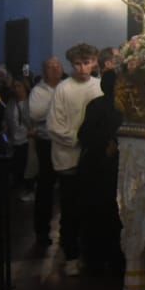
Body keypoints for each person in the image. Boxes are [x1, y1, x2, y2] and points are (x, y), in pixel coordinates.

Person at [48, 43, 104, 275]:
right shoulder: (63, 88)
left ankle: (89, 254)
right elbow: (54, 125)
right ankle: (70, 254)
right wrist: (79, 139)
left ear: (94, 62)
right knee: (69, 209)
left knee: (90, 208)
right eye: (78, 64)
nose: (83, 68)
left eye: (87, 63)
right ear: (72, 65)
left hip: (92, 159)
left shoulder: (99, 87)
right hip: (69, 157)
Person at [77, 70, 125, 277]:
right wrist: (108, 146)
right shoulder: (105, 106)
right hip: (101, 168)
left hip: (104, 168)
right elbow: (86, 135)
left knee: (105, 215)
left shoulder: (103, 105)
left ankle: (102, 259)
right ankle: (106, 260)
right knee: (105, 214)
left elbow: (85, 135)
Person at [28, 57, 63, 249]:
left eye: (57, 66)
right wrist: (58, 106)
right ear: (44, 70)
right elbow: (35, 113)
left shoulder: (67, 86)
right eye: (50, 67)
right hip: (47, 143)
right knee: (45, 187)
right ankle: (42, 231)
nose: (55, 70)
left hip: (65, 142)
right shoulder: (38, 91)